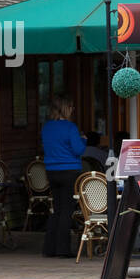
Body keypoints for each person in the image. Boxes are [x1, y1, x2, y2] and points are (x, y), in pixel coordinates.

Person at [41, 94, 85, 258]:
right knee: (67, 210)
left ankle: (49, 248)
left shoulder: (46, 127)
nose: (73, 110)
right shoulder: (70, 127)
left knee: (57, 209)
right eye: (71, 107)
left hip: (51, 171)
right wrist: (83, 140)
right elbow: (78, 150)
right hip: (70, 171)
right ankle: (63, 249)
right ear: (66, 108)